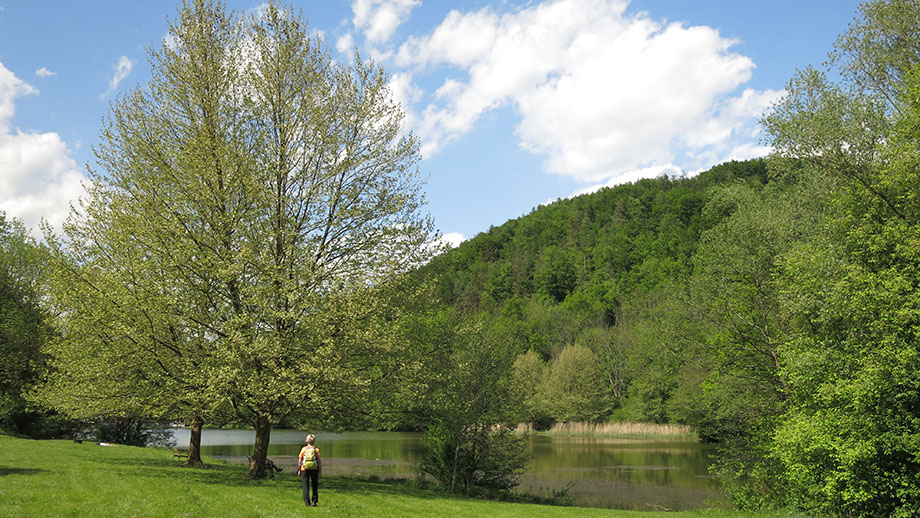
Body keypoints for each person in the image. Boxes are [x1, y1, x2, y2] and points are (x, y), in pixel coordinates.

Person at [296, 434, 322, 507]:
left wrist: (299, 470)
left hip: (304, 469)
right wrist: (320, 472)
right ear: (314, 441)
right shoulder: (316, 449)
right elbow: (319, 461)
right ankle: (314, 501)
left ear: (307, 440)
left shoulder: (303, 449)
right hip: (314, 469)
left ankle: (307, 503)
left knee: (305, 486)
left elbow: (300, 460)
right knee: (314, 485)